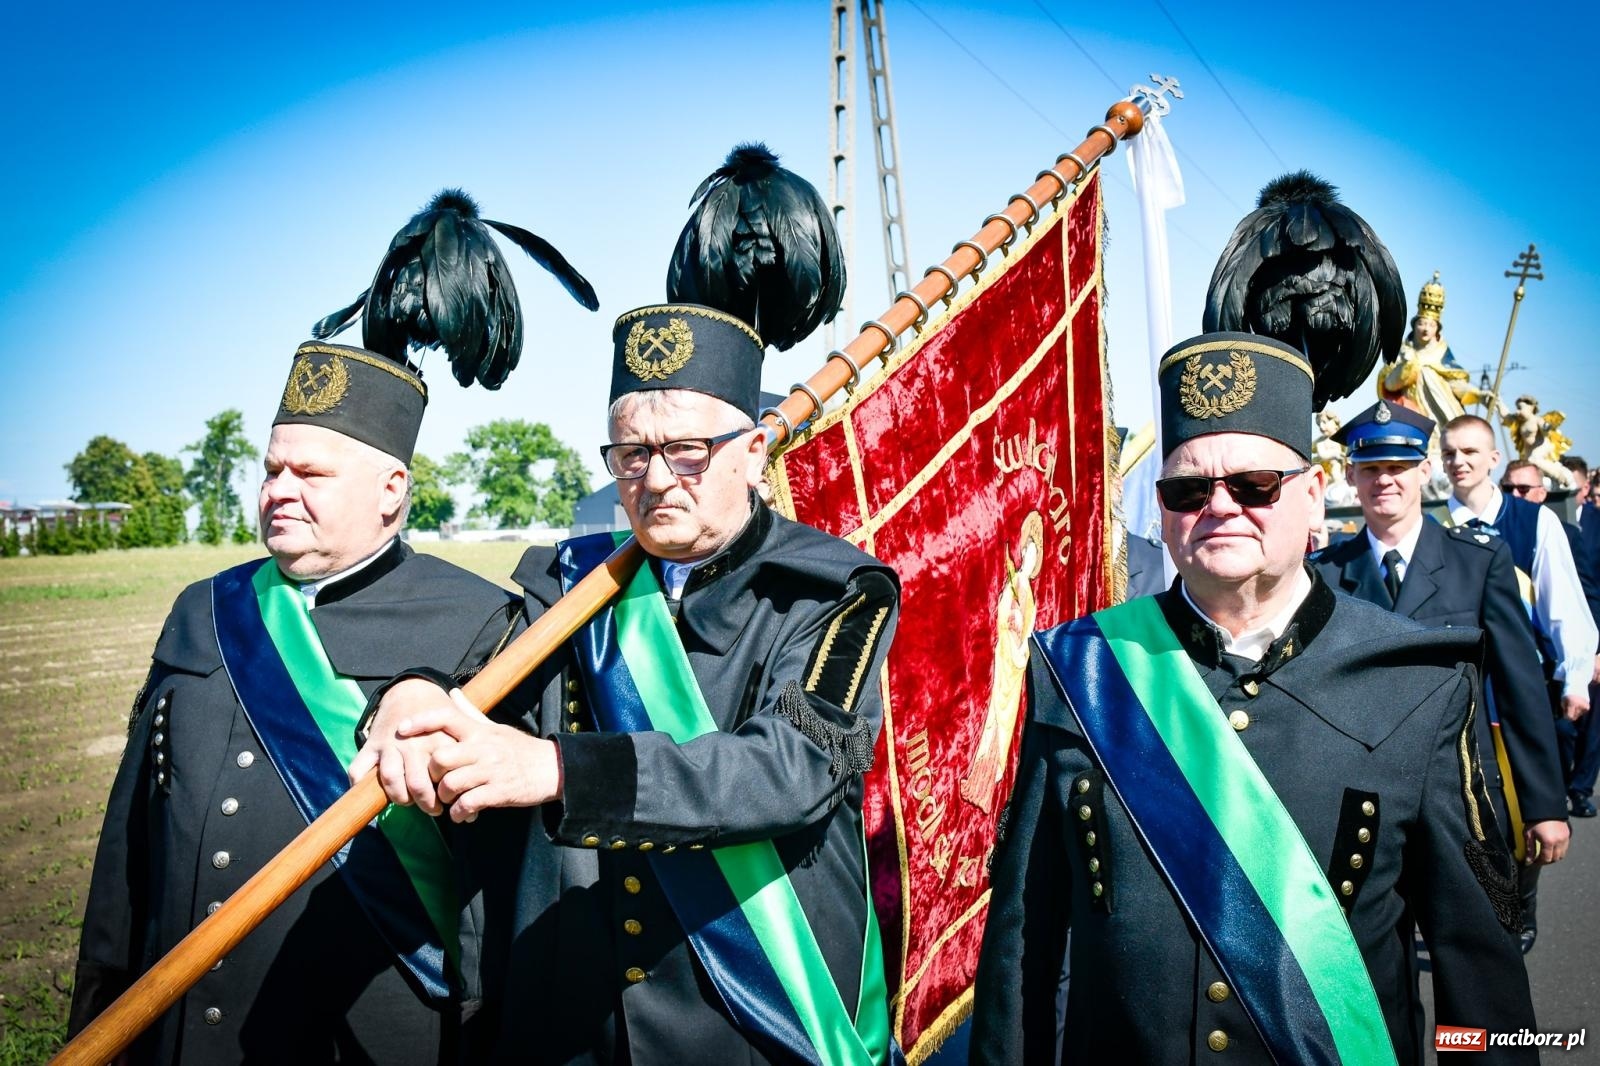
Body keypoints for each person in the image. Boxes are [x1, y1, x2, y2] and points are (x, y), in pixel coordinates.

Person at [357, 148, 899, 1065]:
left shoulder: (839, 587)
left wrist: (563, 772)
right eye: (630, 454)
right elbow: (478, 684)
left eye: (686, 451)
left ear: (753, 448)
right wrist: (412, 695)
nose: (654, 480)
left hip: (756, 1023)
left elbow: (792, 766)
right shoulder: (561, 582)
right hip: (580, 1025)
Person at [68, 191, 596, 1065]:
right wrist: (99, 1005)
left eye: (309, 471)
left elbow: (511, 886)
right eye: (272, 468)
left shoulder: (480, 625)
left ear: (392, 490)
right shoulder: (205, 609)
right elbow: (129, 848)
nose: (280, 489)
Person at [972, 332, 1535, 1064]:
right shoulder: (1079, 671)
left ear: (1311, 498)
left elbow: (1480, 978)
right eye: (1188, 489)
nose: (1220, 507)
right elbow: (1023, 942)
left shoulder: (1421, 685)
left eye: (1255, 486)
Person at [1312, 405, 1569, 954]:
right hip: (1365, 810)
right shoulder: (1326, 575)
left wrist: (1544, 806)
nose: (1385, 480)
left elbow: (1521, 690)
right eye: (1371, 467)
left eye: (1399, 466)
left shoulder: (1479, 562)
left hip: (1467, 799)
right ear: (1351, 476)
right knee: (1380, 973)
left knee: (1481, 966)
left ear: (1423, 471)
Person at [1507, 459, 1600, 818]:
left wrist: (1594, 649)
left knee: (1584, 727)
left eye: (1523, 489)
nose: (1515, 495)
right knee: (1559, 733)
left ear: (1542, 494)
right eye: (1508, 489)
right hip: (1534, 660)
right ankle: (1558, 790)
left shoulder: (1564, 533)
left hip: (1573, 651)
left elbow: (1588, 595)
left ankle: (1580, 789)